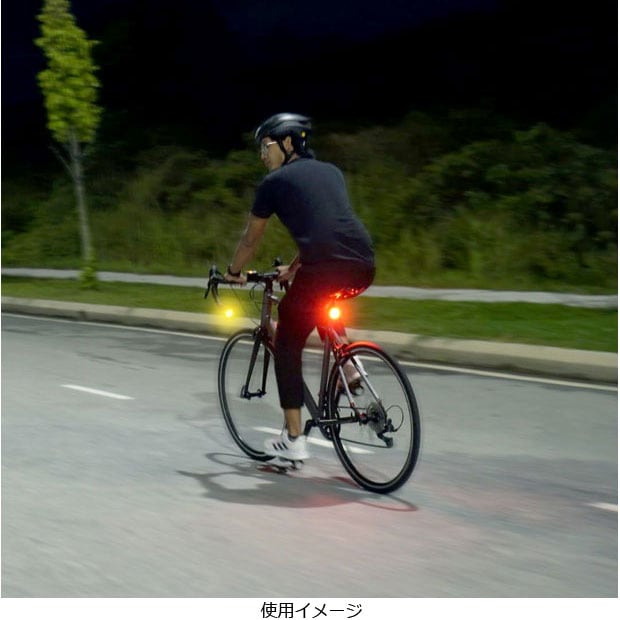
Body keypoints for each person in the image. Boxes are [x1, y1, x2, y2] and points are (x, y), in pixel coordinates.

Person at [224, 112, 375, 461]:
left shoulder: (273, 183)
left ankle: (293, 440)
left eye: (266, 146)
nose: (263, 155)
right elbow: (325, 227)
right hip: (363, 264)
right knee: (317, 303)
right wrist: (293, 268)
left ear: (288, 142)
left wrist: (233, 271)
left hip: (325, 267)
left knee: (288, 339)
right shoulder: (331, 172)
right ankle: (349, 366)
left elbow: (250, 239)